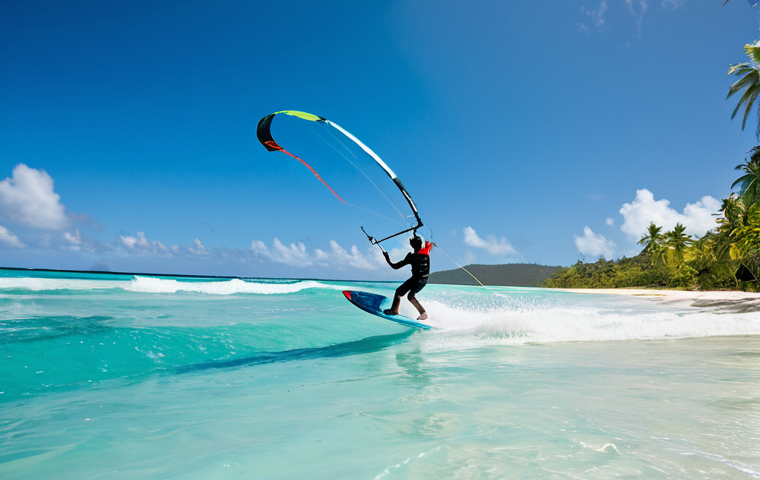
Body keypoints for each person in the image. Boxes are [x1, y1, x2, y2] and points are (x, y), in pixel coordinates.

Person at [382, 235, 434, 321]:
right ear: (421, 244)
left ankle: (394, 310)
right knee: (409, 296)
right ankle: (422, 313)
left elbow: (395, 266)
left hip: (416, 280)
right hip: (423, 280)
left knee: (400, 293)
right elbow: (428, 243)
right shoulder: (426, 252)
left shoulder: (411, 257)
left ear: (412, 245)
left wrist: (387, 258)